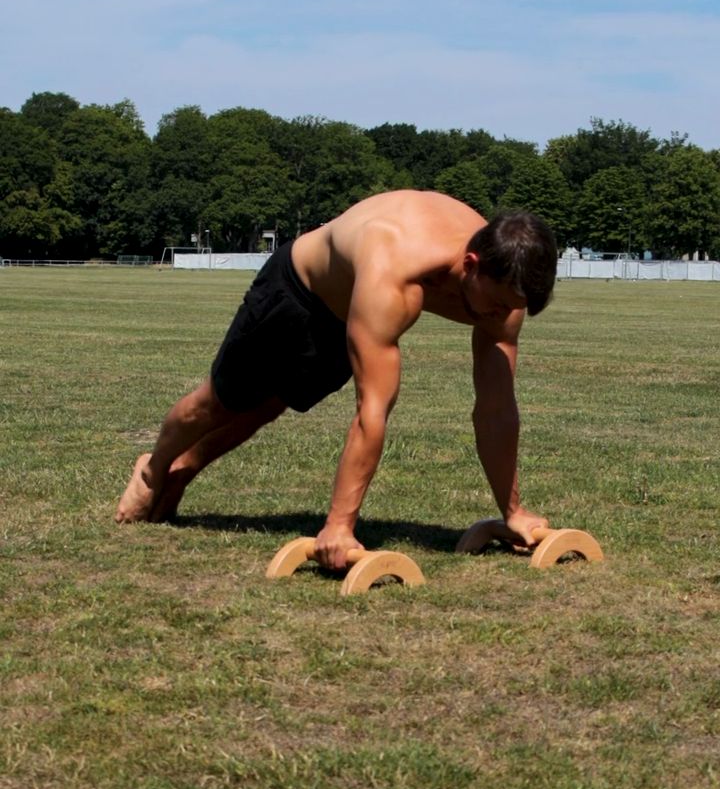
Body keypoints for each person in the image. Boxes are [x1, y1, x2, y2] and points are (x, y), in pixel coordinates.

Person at [115, 190, 557, 568]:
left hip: (351, 313)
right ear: (472, 263)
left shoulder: (507, 295)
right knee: (219, 403)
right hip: (298, 289)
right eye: (497, 304)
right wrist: (339, 526)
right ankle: (154, 469)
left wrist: (512, 511)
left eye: (513, 308)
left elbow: (497, 410)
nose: (503, 316)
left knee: (267, 407)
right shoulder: (397, 268)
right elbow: (373, 411)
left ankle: (184, 470)